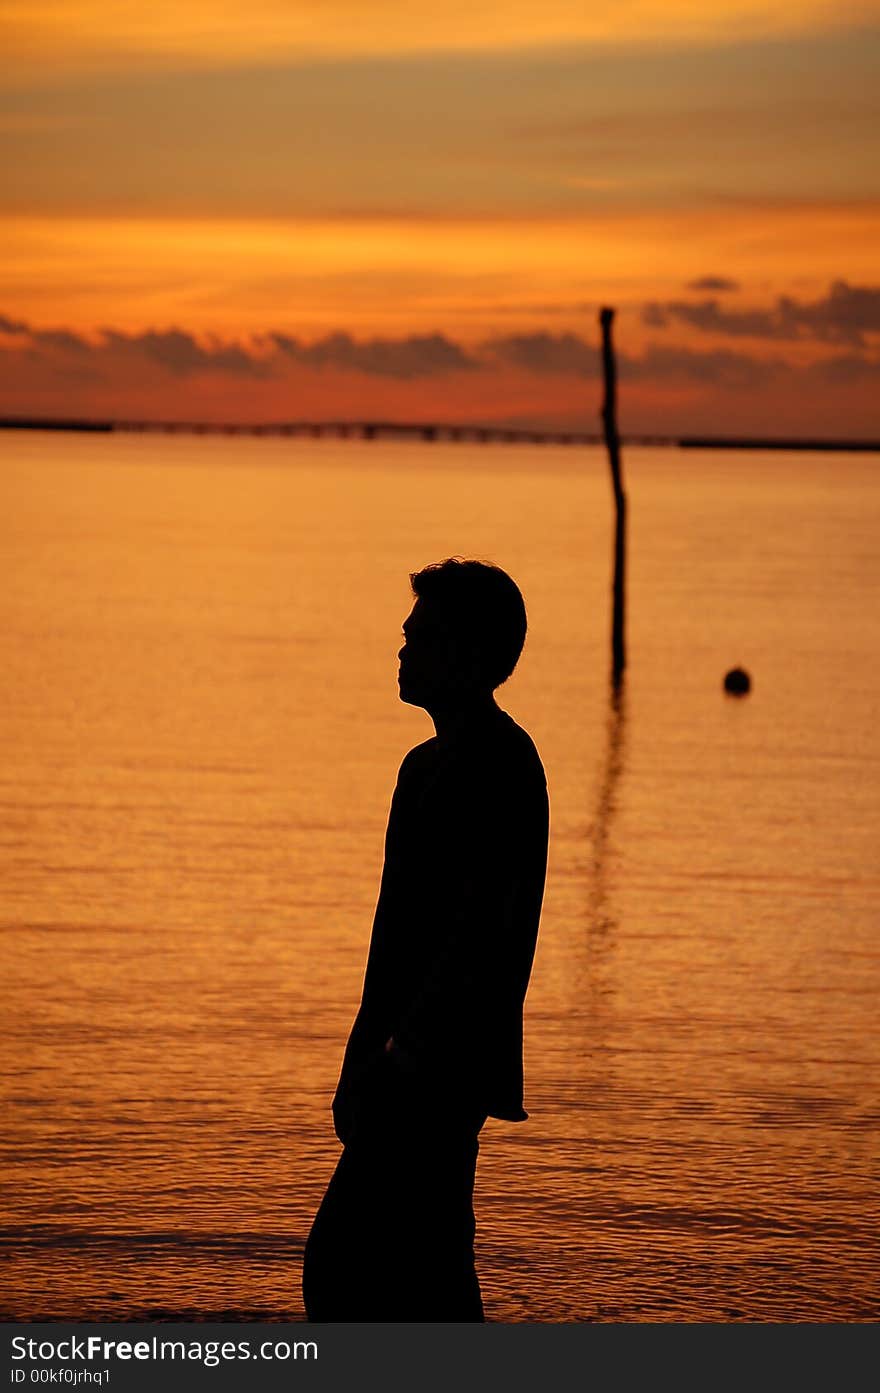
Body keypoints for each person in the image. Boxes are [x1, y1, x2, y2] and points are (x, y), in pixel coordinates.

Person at [302, 558, 549, 1321]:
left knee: (353, 1265)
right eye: (406, 635)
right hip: (401, 1056)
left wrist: (404, 1053)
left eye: (422, 636)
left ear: (471, 654)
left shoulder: (501, 764)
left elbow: (480, 931)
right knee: (419, 1269)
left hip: (442, 1064)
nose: (402, 650)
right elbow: (392, 936)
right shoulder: (423, 767)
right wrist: (359, 1052)